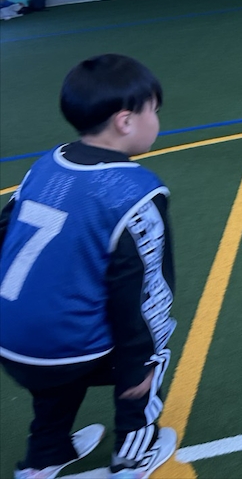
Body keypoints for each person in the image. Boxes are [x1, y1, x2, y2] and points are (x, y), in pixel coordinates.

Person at [0, 54, 177, 479]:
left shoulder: (46, 164)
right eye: (154, 111)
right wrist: (139, 366)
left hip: (11, 342)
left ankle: (43, 459)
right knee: (150, 351)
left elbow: (4, 229)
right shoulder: (137, 194)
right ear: (125, 121)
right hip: (70, 347)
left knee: (53, 368)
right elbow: (143, 294)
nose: (157, 120)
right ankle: (134, 454)